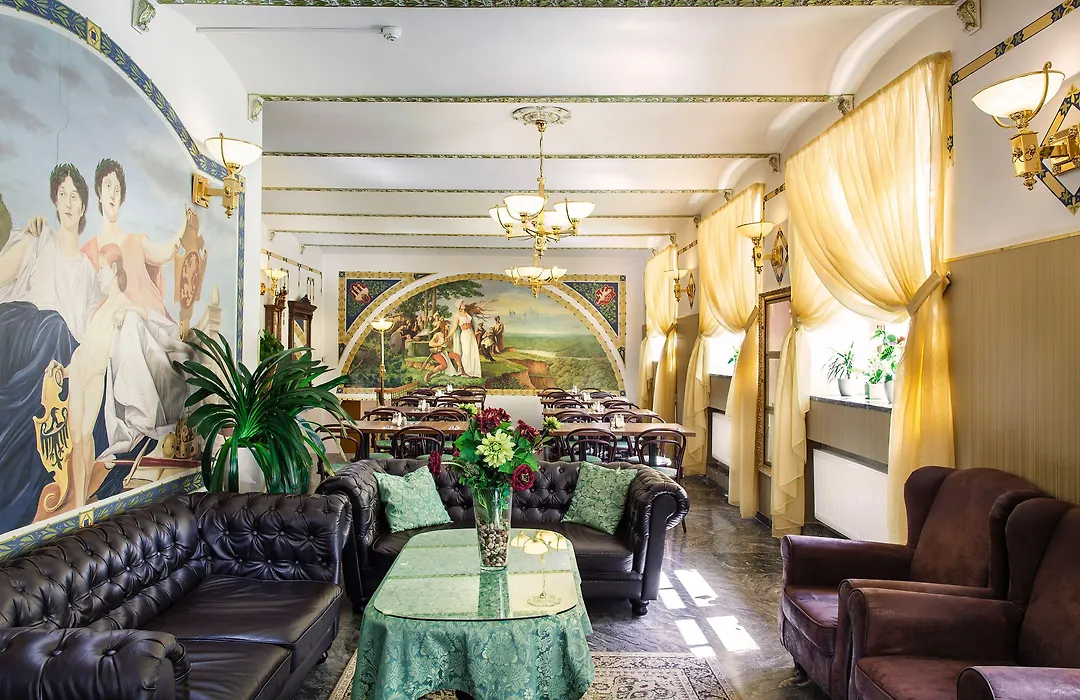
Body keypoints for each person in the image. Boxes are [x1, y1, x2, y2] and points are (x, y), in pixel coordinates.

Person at [0, 165, 102, 530]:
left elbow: (90, 330)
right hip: (24, 330)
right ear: (55, 201)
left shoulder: (88, 271)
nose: (69, 202)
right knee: (54, 328)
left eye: (75, 196)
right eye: (62, 195)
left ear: (83, 205)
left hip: (60, 345)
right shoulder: (38, 239)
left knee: (69, 345)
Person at [66, 244, 146, 508]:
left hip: (94, 376)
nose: (98, 274)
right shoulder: (99, 306)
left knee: (84, 436)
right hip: (78, 369)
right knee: (76, 440)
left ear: (113, 269)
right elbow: (87, 344)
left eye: (101, 268)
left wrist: (127, 311)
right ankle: (79, 504)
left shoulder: (122, 303)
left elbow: (143, 313)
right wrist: (65, 369)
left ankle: (80, 505)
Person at [447, 301, 482, 378]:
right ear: (459, 306)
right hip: (465, 334)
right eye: (462, 303)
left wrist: (488, 302)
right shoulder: (457, 315)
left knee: (473, 351)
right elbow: (454, 327)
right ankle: (464, 372)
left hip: (471, 334)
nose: (464, 304)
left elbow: (479, 309)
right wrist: (448, 335)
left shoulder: (468, 312)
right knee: (466, 352)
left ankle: (474, 372)